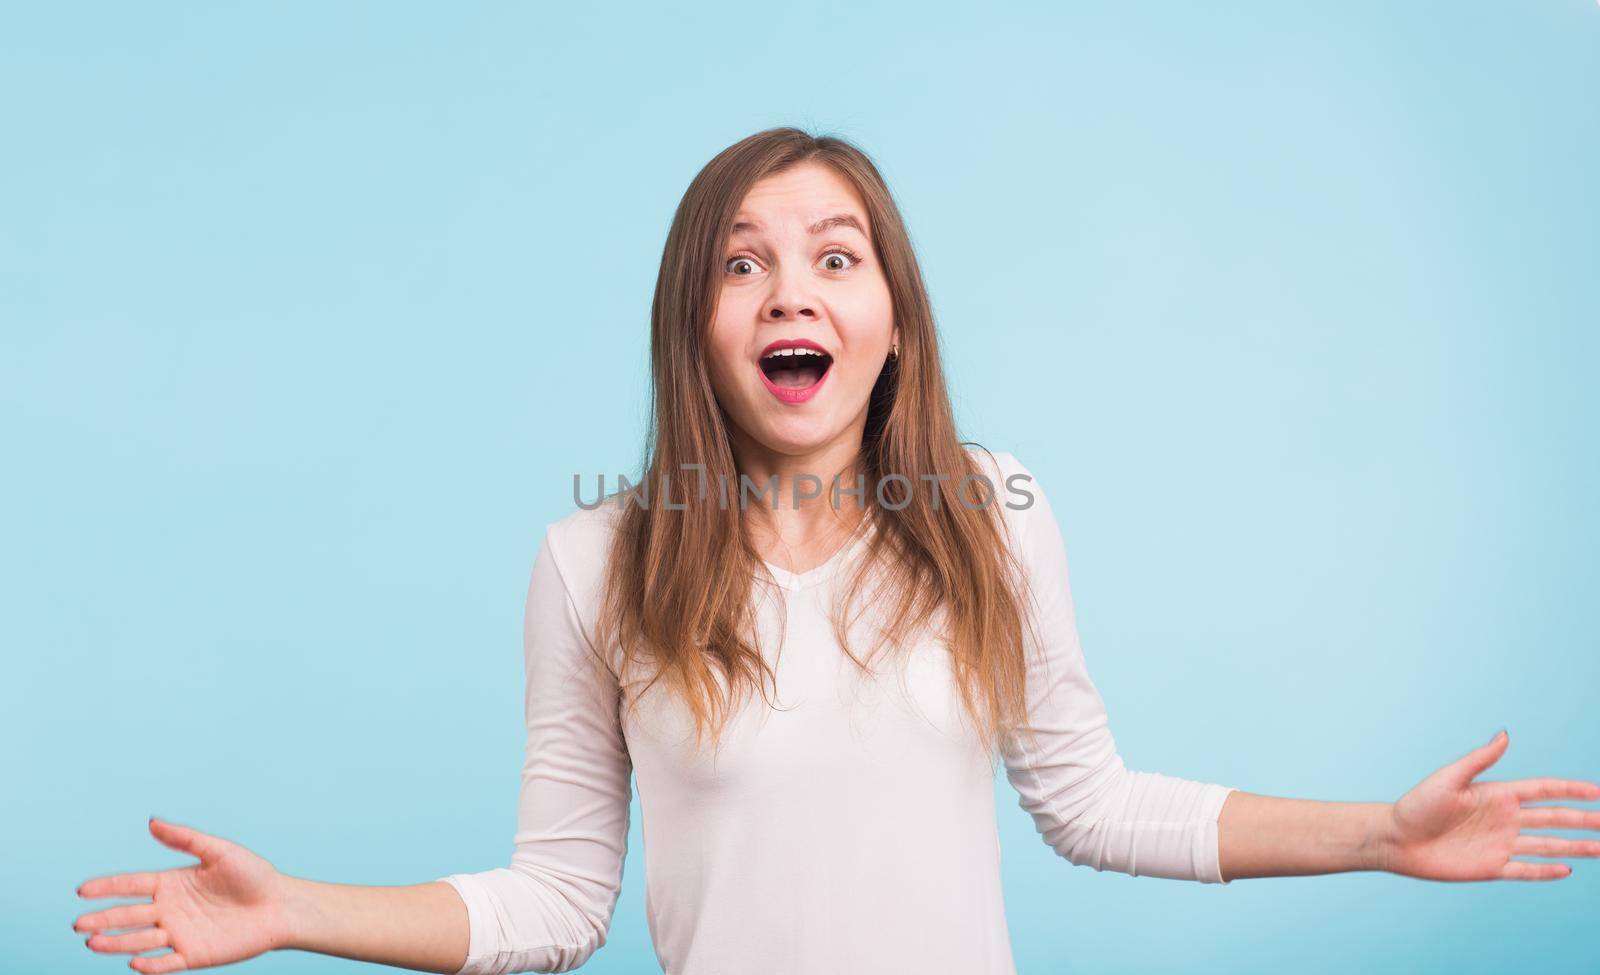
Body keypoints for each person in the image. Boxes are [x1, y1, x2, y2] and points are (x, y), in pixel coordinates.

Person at [72, 127, 1600, 975]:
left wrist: (1379, 837)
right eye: (741, 264)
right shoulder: (593, 561)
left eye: (833, 257)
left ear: (890, 322)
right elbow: (555, 905)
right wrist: (298, 915)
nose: (788, 288)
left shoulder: (994, 514)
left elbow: (1091, 799)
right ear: (699, 330)